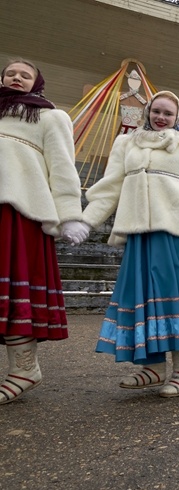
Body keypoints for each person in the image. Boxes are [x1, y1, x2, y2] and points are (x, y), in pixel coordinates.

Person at [82, 90, 179, 397]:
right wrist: (87, 220)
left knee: (176, 296)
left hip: (175, 233)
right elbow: (110, 186)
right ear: (147, 112)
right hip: (138, 232)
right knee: (143, 297)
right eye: (156, 111)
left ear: (178, 117)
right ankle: (153, 368)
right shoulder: (126, 144)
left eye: (168, 113)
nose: (161, 117)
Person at [0, 58, 88, 404]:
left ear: (38, 82)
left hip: (21, 211)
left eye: (25, 74)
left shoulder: (50, 116)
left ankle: (24, 368)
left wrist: (69, 215)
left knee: (14, 289)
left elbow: (63, 168)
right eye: (10, 73)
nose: (16, 78)